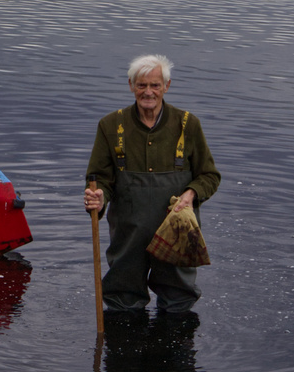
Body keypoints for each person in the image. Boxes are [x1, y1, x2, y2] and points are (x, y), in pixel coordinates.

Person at [84, 55, 221, 314]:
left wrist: (191, 194)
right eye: (142, 85)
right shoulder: (110, 125)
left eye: (155, 85)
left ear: (166, 86)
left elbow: (209, 176)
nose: (148, 92)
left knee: (178, 303)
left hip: (177, 234)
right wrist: (98, 198)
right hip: (128, 235)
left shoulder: (188, 124)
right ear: (131, 85)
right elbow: (99, 178)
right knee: (122, 303)